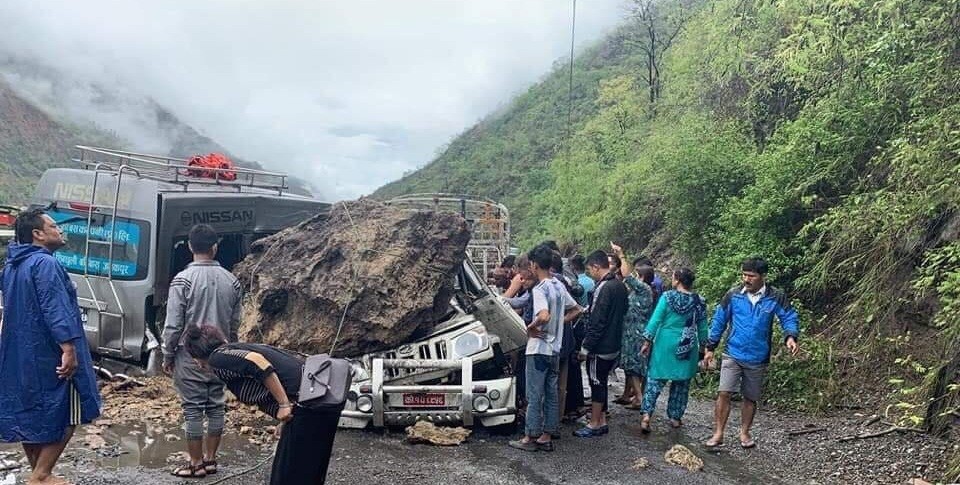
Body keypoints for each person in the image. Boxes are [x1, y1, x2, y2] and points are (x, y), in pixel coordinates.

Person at [0, 209, 101, 484]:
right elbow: (54, 308)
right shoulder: (45, 264)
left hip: (19, 352)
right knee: (73, 407)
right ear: (38, 234)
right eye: (54, 226)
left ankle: (38, 471)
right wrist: (68, 348)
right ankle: (42, 475)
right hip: (48, 351)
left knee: (30, 412)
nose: (60, 231)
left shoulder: (11, 266)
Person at [182, 325, 342, 484]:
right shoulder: (231, 353)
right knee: (308, 471)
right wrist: (284, 419)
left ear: (197, 353)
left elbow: (257, 362)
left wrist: (284, 404)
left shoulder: (218, 357)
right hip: (316, 400)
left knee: (290, 475)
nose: (197, 364)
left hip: (308, 404)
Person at [161, 224, 242, 478]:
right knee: (216, 407)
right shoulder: (233, 280)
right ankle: (211, 460)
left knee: (193, 408)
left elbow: (173, 324)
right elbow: (235, 323)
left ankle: (195, 464)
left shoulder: (182, 281)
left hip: (190, 355)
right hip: (221, 354)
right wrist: (231, 351)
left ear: (189, 247)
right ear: (215, 247)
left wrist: (168, 354)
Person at [703, 257, 799, 449]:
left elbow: (788, 317)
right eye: (744, 275)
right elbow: (719, 320)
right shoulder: (733, 295)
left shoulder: (775, 297)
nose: (746, 279)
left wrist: (790, 337)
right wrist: (710, 347)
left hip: (758, 356)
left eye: (751, 276)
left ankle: (745, 433)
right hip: (733, 351)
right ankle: (718, 433)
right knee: (724, 392)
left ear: (763, 276)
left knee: (750, 397)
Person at [509, 245, 580, 452]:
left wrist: (531, 328)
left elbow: (543, 315)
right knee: (551, 393)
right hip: (555, 349)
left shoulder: (540, 289)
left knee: (533, 394)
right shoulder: (558, 285)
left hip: (538, 349)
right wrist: (558, 324)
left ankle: (530, 436)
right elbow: (577, 309)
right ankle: (547, 435)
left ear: (534, 264)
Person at [638, 268, 707, 433]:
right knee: (682, 383)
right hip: (687, 345)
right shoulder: (699, 301)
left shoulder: (667, 297)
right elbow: (703, 327)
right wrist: (704, 349)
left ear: (677, 280)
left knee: (655, 380)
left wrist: (647, 341)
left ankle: (647, 415)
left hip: (665, 344)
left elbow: (656, 320)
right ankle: (675, 417)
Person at [574, 250, 627, 438]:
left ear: (597, 266)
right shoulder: (619, 285)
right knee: (602, 381)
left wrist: (586, 347)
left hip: (600, 346)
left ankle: (595, 423)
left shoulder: (603, 288)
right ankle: (602, 419)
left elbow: (598, 320)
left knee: (596, 382)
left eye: (590, 269)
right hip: (614, 343)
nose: (590, 273)